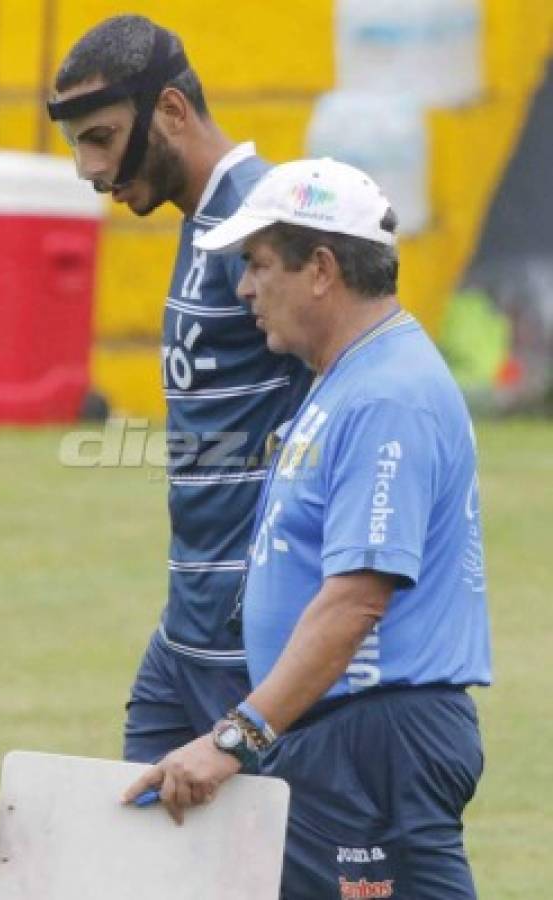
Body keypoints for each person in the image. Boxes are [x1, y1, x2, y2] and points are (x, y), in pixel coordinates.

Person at [124, 158, 492, 900]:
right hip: (341, 738)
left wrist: (237, 737)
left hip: (377, 739)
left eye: (259, 265)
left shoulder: (386, 395)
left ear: (320, 268)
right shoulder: (348, 379)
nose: (244, 289)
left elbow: (356, 598)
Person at [48, 17, 312, 763]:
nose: (86, 168)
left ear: (169, 110)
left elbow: (360, 396)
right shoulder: (203, 224)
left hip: (254, 640)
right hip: (183, 635)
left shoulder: (265, 218)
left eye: (98, 137)